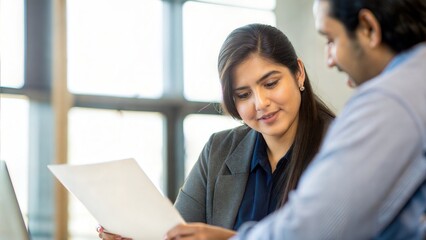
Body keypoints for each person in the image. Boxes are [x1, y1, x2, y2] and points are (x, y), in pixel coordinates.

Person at [98, 23, 335, 240]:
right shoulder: (219, 151)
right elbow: (179, 233)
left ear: (299, 73)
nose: (260, 103)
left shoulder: (341, 146)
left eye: (270, 83)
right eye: (243, 95)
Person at [227, 0, 426, 239]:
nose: (329, 59)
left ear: (368, 28)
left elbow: (314, 228)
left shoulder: (391, 100)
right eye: (243, 94)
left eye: (331, 39)